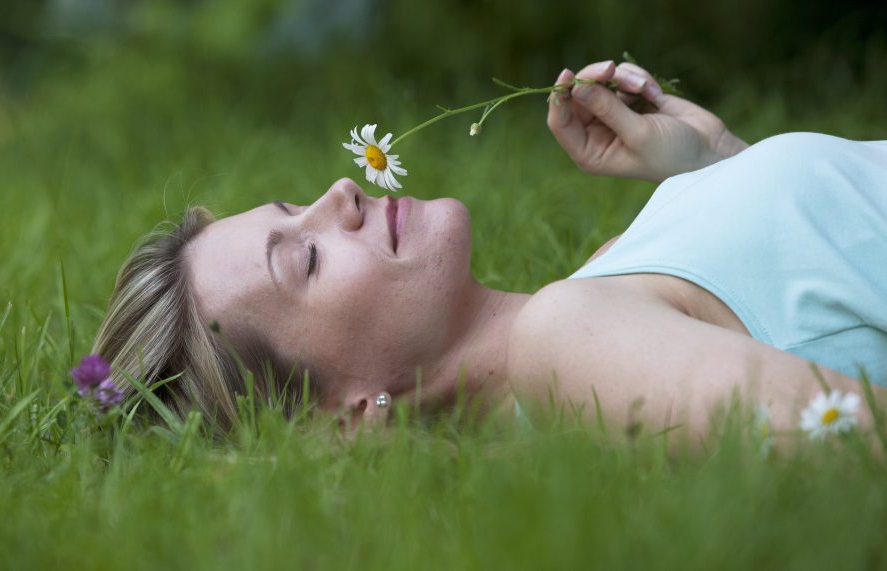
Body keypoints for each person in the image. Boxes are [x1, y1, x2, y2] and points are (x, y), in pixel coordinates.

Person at [92, 60, 887, 445]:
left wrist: (716, 163)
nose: (341, 192)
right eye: (304, 259)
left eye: (295, 207)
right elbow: (855, 448)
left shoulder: (593, 298)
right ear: (347, 417)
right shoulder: (566, 344)